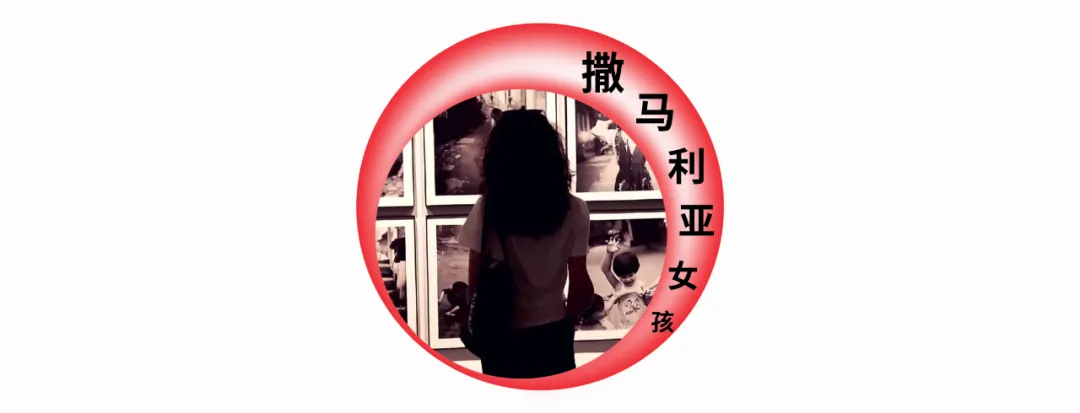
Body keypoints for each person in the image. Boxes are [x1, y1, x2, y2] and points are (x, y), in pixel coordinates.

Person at [456, 109, 595, 378]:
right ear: (551, 155)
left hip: (501, 337)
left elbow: (475, 285)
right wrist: (569, 321)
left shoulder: (488, 209)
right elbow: (580, 286)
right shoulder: (575, 209)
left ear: (499, 158)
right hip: (554, 334)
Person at [599, 234, 659, 330]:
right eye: (623, 277)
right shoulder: (618, 286)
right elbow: (606, 270)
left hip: (643, 326)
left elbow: (648, 305)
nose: (628, 279)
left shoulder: (641, 285)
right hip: (625, 328)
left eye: (631, 275)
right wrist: (609, 253)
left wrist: (649, 297)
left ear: (636, 271)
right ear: (618, 276)